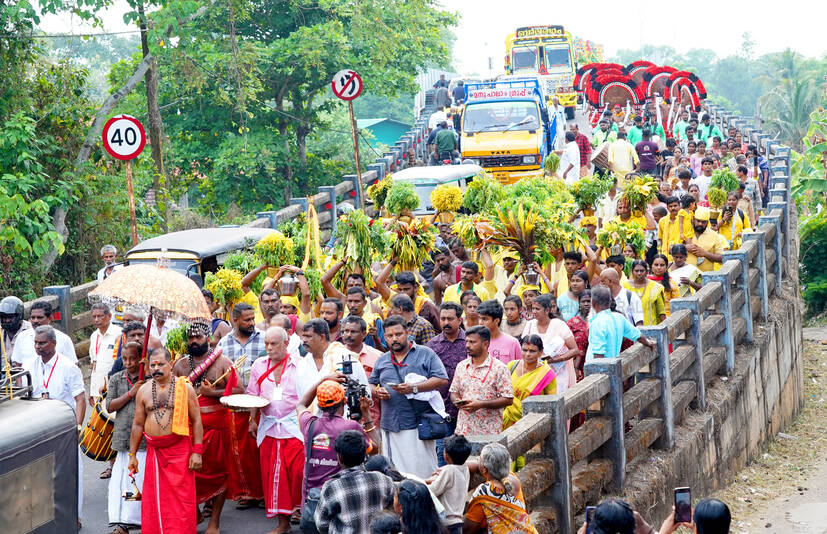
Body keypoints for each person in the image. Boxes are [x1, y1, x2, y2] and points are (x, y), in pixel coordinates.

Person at [129, 347, 203, 534]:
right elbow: (137, 424)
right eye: (152, 365)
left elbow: (196, 420)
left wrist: (197, 452)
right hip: (155, 454)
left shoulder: (185, 388)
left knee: (181, 503)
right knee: (155, 501)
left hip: (180, 452)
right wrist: (132, 455)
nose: (156, 368)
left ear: (171, 364)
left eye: (160, 364)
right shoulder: (143, 390)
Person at [172, 320, 236, 533]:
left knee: (219, 473)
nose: (194, 341)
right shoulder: (180, 366)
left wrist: (213, 393)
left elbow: (238, 391)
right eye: (190, 337)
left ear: (208, 338)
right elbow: (171, 394)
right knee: (188, 473)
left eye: (198, 337)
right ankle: (196, 512)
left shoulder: (223, 362)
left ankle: (214, 522)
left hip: (217, 428)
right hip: (187, 428)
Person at [369, 315, 449, 479]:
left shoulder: (425, 353)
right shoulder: (382, 360)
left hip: (419, 424)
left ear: (407, 333)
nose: (394, 339)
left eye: (398, 334)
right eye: (390, 336)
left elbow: (442, 379)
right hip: (391, 424)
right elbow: (370, 384)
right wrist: (377, 392)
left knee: (424, 473)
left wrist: (414, 388)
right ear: (385, 337)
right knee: (396, 475)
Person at [23, 325, 86, 528]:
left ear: (54, 343)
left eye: (42, 343)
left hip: (64, 428)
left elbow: (80, 399)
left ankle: (75, 516)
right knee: (40, 473)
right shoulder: (29, 365)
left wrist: (77, 428)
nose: (37, 347)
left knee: (70, 472)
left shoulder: (68, 367)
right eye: (35, 343)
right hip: (38, 428)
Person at [246, 327, 304, 532]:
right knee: (274, 476)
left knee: (298, 473)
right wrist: (252, 420)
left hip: (295, 427)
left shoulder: (300, 365)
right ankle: (283, 523)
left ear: (286, 344)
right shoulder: (259, 365)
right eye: (266, 344)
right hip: (269, 427)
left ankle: (300, 511)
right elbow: (253, 395)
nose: (269, 348)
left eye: (273, 344)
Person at [297, 377, 379, 515]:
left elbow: (300, 405)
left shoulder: (308, 423)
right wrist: (366, 413)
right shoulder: (350, 426)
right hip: (339, 498)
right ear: (345, 401)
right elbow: (374, 450)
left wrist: (322, 380)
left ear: (319, 404)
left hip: (312, 501)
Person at [315, 430, 396, 534]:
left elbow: (321, 525)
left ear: (339, 458)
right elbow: (394, 508)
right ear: (365, 454)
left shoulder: (332, 488)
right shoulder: (383, 480)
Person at [106, 341, 146, 534]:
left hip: (143, 441)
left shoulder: (148, 379)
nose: (128, 363)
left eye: (133, 359)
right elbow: (110, 406)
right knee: (123, 481)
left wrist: (143, 384)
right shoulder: (116, 378)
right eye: (125, 359)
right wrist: (131, 393)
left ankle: (134, 519)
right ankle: (122, 519)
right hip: (123, 438)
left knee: (138, 479)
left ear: (141, 359)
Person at [449, 325, 514, 437]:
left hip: (489, 433)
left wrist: (481, 404)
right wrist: (458, 402)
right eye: (467, 341)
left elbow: (508, 399)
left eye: (472, 342)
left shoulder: (500, 368)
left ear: (485, 344)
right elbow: (454, 392)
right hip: (463, 432)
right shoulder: (461, 366)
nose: (467, 345)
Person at [295, 319, 370, 413]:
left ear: (322, 337)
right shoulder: (302, 365)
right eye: (303, 336)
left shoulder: (345, 358)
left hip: (344, 419)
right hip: (312, 420)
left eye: (308, 336)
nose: (304, 340)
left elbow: (364, 394)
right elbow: (301, 400)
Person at [464, 442, 538, 534]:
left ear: (484, 468)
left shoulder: (484, 491)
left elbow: (468, 529)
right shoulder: (512, 478)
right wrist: (480, 463)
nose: (477, 459)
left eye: (479, 458)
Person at [426, 302, 466, 464]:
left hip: (466, 410)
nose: (445, 322)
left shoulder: (469, 342)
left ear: (460, 320)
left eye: (450, 319)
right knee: (442, 456)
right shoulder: (432, 346)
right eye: (442, 319)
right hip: (440, 410)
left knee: (467, 455)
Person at [522, 294, 580, 392]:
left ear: (547, 310)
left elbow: (575, 350)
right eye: (533, 308)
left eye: (537, 309)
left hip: (558, 373)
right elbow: (524, 347)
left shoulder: (559, 324)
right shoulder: (530, 325)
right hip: (535, 372)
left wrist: (556, 359)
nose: (534, 311)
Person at [503, 335, 557, 431]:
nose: (527, 354)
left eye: (532, 351)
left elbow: (552, 404)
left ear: (540, 353)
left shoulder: (546, 374)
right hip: (506, 422)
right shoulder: (511, 366)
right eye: (524, 350)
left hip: (532, 425)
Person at [586, 286, 654, 361]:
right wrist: (648, 343)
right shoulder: (619, 317)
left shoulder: (597, 322)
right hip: (613, 363)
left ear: (593, 303)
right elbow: (638, 335)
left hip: (598, 365)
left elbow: (598, 355)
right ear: (610, 301)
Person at [340, 315, 384, 424]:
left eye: (353, 332)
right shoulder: (334, 355)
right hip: (343, 419)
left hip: (372, 418)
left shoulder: (377, 356)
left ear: (364, 334)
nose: (348, 335)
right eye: (346, 331)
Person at [426, 434, 472, 534]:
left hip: (447, 522)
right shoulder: (465, 469)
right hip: (458, 521)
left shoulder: (449, 470)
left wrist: (422, 483)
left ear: (446, 455)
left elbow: (433, 490)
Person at [11, 300, 76, 367]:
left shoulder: (63, 339)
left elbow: (72, 365)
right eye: (33, 317)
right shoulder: (22, 337)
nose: (35, 321)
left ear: (50, 318)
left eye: (39, 317)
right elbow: (17, 364)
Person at [217, 302, 265, 384]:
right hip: (233, 391)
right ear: (235, 321)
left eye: (253, 319)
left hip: (258, 391)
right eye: (247, 320)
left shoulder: (264, 339)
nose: (252, 323)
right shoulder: (224, 343)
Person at [89, 303, 122, 406]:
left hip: (113, 387)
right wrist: (92, 391)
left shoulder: (119, 334)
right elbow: (94, 365)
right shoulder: (94, 336)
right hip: (97, 389)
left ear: (109, 316)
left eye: (100, 316)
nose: (96, 320)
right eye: (94, 317)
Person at [476, 300, 521, 364]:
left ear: (496, 321)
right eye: (479, 318)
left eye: (484, 319)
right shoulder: (475, 342)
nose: (480, 322)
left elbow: (521, 366)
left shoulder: (512, 343)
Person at [623, 260, 667, 325]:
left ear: (646, 272)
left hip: (651, 327)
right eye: (636, 271)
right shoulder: (625, 287)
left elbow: (661, 312)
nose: (639, 273)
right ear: (632, 272)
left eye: (642, 271)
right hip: (631, 327)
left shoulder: (656, 287)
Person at [686, 206, 727, 272]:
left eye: (703, 222)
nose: (700, 224)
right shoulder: (685, 231)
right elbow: (670, 249)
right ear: (693, 219)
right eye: (698, 221)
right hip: (685, 276)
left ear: (707, 222)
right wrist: (685, 247)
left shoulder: (713, 235)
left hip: (706, 276)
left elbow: (721, 258)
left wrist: (705, 254)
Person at [566, 290, 591, 382]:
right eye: (583, 301)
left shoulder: (597, 321)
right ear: (579, 303)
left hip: (592, 360)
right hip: (575, 366)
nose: (586, 304)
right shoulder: (572, 323)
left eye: (588, 301)